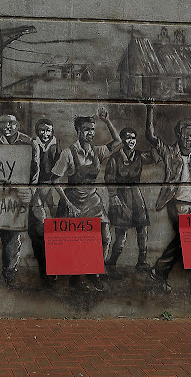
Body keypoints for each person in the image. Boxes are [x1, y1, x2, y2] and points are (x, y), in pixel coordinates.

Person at [146, 105, 191, 301]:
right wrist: (150, 109)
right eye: (185, 134)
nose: (189, 138)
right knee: (188, 239)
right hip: (175, 203)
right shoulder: (169, 152)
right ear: (178, 134)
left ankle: (162, 272)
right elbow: (151, 136)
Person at [51, 108, 121, 292]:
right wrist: (68, 204)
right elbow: (55, 181)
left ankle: (94, 271)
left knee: (105, 237)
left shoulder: (97, 151)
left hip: (93, 201)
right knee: (77, 240)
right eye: (85, 129)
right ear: (78, 131)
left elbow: (118, 142)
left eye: (92, 129)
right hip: (73, 200)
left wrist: (107, 120)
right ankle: (76, 276)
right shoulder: (68, 153)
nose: (89, 133)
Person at [0, 113, 36, 287]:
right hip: (3, 196)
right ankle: (8, 271)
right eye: (3, 123)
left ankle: (17, 272)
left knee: (28, 232)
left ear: (18, 124)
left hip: (23, 195)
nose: (7, 126)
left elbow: (36, 170)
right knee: (7, 234)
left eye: (11, 123)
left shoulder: (28, 143)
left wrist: (31, 191)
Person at [104, 127, 155, 278]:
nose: (131, 141)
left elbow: (155, 155)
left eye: (133, 138)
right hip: (121, 197)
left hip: (136, 195)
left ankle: (141, 262)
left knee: (142, 229)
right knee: (121, 233)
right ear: (122, 140)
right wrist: (114, 199)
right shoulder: (114, 159)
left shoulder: (139, 156)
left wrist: (154, 139)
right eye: (127, 137)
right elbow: (109, 181)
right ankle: (112, 264)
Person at [28, 118, 61, 283]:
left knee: (56, 223)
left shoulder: (55, 145)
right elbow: (32, 167)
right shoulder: (32, 145)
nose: (45, 134)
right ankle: (45, 268)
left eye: (48, 131)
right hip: (36, 188)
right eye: (42, 130)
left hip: (51, 188)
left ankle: (58, 265)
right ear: (37, 131)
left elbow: (60, 167)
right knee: (41, 226)